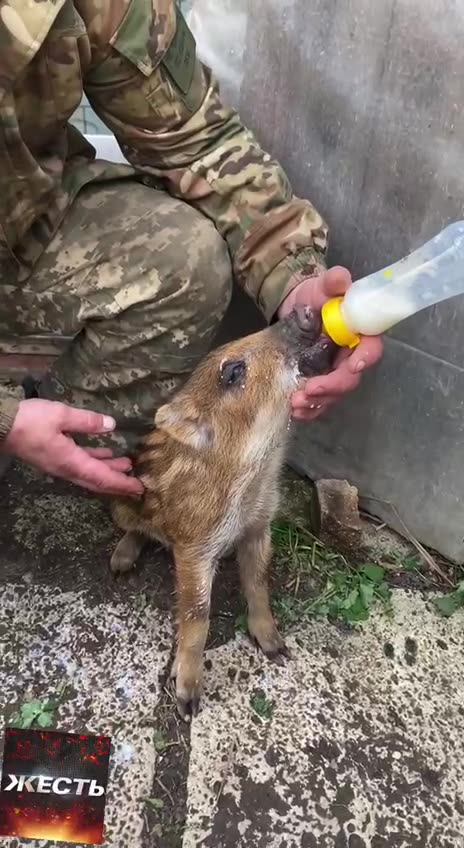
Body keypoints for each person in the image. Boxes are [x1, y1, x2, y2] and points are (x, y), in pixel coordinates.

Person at [0, 0, 383, 497]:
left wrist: (294, 277)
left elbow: (197, 140)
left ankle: (69, 437)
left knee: (182, 258)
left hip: (20, 230)